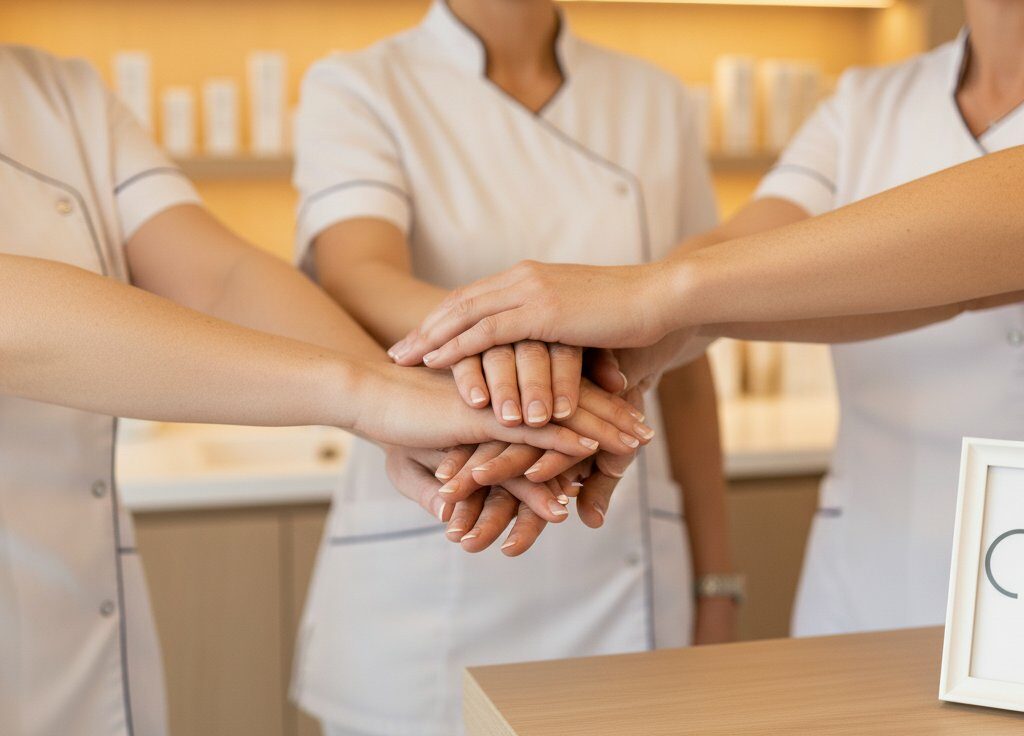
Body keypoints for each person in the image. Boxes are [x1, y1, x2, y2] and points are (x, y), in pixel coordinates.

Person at [0, 43, 628, 736]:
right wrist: (371, 394)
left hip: (75, 641)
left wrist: (399, 407)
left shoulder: (61, 93)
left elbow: (221, 275)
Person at [394, 0, 1024, 637]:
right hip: (868, 573)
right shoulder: (867, 101)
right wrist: (605, 358)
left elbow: (984, 246)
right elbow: (754, 244)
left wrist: (653, 296)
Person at [290, 2, 736, 734]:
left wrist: (718, 586)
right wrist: (528, 343)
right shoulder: (362, 84)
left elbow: (684, 356)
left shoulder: (654, 99)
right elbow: (358, 277)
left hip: (622, 575)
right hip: (435, 567)